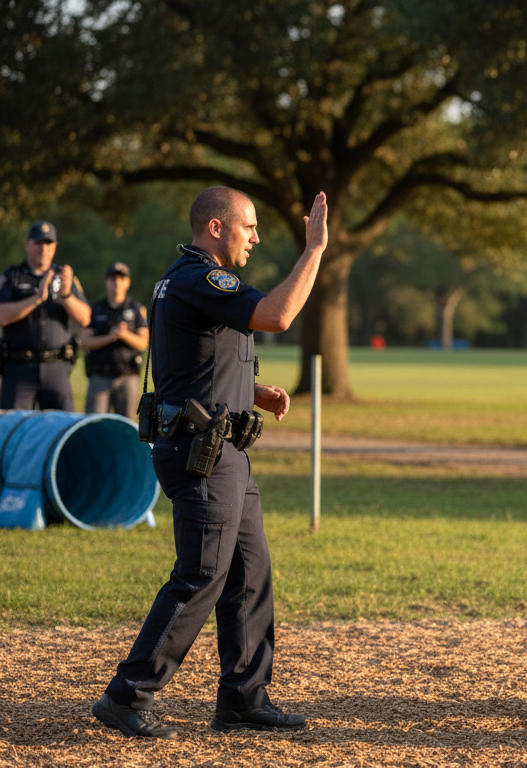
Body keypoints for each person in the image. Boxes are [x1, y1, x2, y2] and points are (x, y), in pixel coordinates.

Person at [92, 186, 327, 740]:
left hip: (222, 450)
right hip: (204, 455)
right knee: (201, 574)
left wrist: (253, 391)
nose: (256, 237)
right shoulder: (203, 278)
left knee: (250, 573)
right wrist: (314, 249)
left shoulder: (187, 279)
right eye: (249, 226)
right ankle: (127, 694)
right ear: (216, 228)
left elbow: (196, 358)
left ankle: (243, 700)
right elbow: (277, 315)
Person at [0, 221, 92, 410]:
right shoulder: (11, 277)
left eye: (48, 244)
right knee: (14, 424)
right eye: (38, 243)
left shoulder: (65, 278)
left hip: (56, 369)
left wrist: (66, 296)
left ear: (55, 247)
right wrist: (37, 299)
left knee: (61, 424)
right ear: (27, 245)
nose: (44, 249)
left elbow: (85, 319)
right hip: (19, 369)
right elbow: (3, 315)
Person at [82, 262, 149, 417]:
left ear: (128, 282)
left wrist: (125, 335)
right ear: (106, 282)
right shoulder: (96, 308)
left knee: (125, 423)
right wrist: (110, 337)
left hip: (127, 376)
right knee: (95, 421)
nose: (117, 283)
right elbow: (85, 342)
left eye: (121, 278)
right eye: (113, 279)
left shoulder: (135, 308)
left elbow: (143, 343)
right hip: (100, 376)